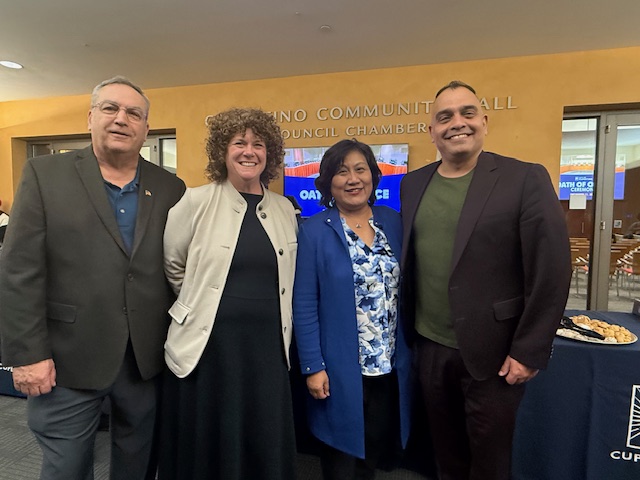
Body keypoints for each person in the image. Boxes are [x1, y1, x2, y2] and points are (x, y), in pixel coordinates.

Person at [0, 76, 186, 479]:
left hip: (144, 361)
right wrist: (27, 355)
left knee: (138, 465)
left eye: (133, 113)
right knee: (66, 468)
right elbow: (19, 271)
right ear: (90, 117)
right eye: (110, 108)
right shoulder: (44, 174)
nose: (121, 119)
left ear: (146, 128)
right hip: (67, 360)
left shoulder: (170, 187)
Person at [400, 80, 571, 480]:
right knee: (446, 457)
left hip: (496, 354)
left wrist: (529, 350)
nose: (457, 123)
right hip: (429, 348)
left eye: (468, 113)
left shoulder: (524, 178)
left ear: (485, 121)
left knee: (490, 464)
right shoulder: (413, 183)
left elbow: (551, 270)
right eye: (445, 117)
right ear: (431, 130)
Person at [158, 108, 298, 480]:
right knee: (209, 441)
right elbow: (173, 266)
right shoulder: (195, 201)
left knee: (261, 435)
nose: (249, 151)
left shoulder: (284, 209)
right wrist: (202, 303)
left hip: (266, 349)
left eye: (258, 144)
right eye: (239, 143)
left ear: (270, 154)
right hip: (210, 348)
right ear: (223, 150)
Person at [293, 139, 412, 479]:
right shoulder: (314, 231)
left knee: (372, 454)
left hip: (389, 365)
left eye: (361, 169)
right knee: (341, 458)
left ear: (373, 176)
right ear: (328, 181)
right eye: (342, 171)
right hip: (339, 369)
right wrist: (313, 366)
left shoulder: (393, 222)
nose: (353, 179)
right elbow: (304, 303)